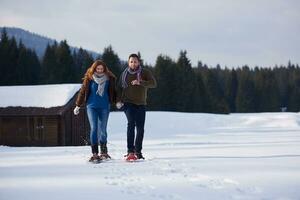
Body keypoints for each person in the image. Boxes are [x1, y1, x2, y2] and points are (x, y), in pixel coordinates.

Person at [74, 60, 116, 162]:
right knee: (94, 128)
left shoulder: (109, 78)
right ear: (94, 69)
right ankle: (95, 153)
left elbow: (113, 91)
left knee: (103, 129)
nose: (100, 70)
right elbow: (83, 91)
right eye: (98, 69)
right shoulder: (89, 78)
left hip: (104, 107)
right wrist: (78, 105)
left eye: (102, 69)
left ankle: (104, 152)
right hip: (91, 107)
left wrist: (117, 101)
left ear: (104, 69)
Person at [116, 53, 157, 161]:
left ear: (139, 62)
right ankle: (130, 151)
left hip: (141, 104)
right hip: (128, 103)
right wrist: (118, 100)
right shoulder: (124, 74)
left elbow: (153, 83)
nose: (133, 63)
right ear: (128, 62)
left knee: (140, 129)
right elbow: (119, 88)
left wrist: (140, 82)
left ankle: (138, 152)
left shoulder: (145, 72)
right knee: (131, 124)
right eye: (131, 61)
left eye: (135, 61)